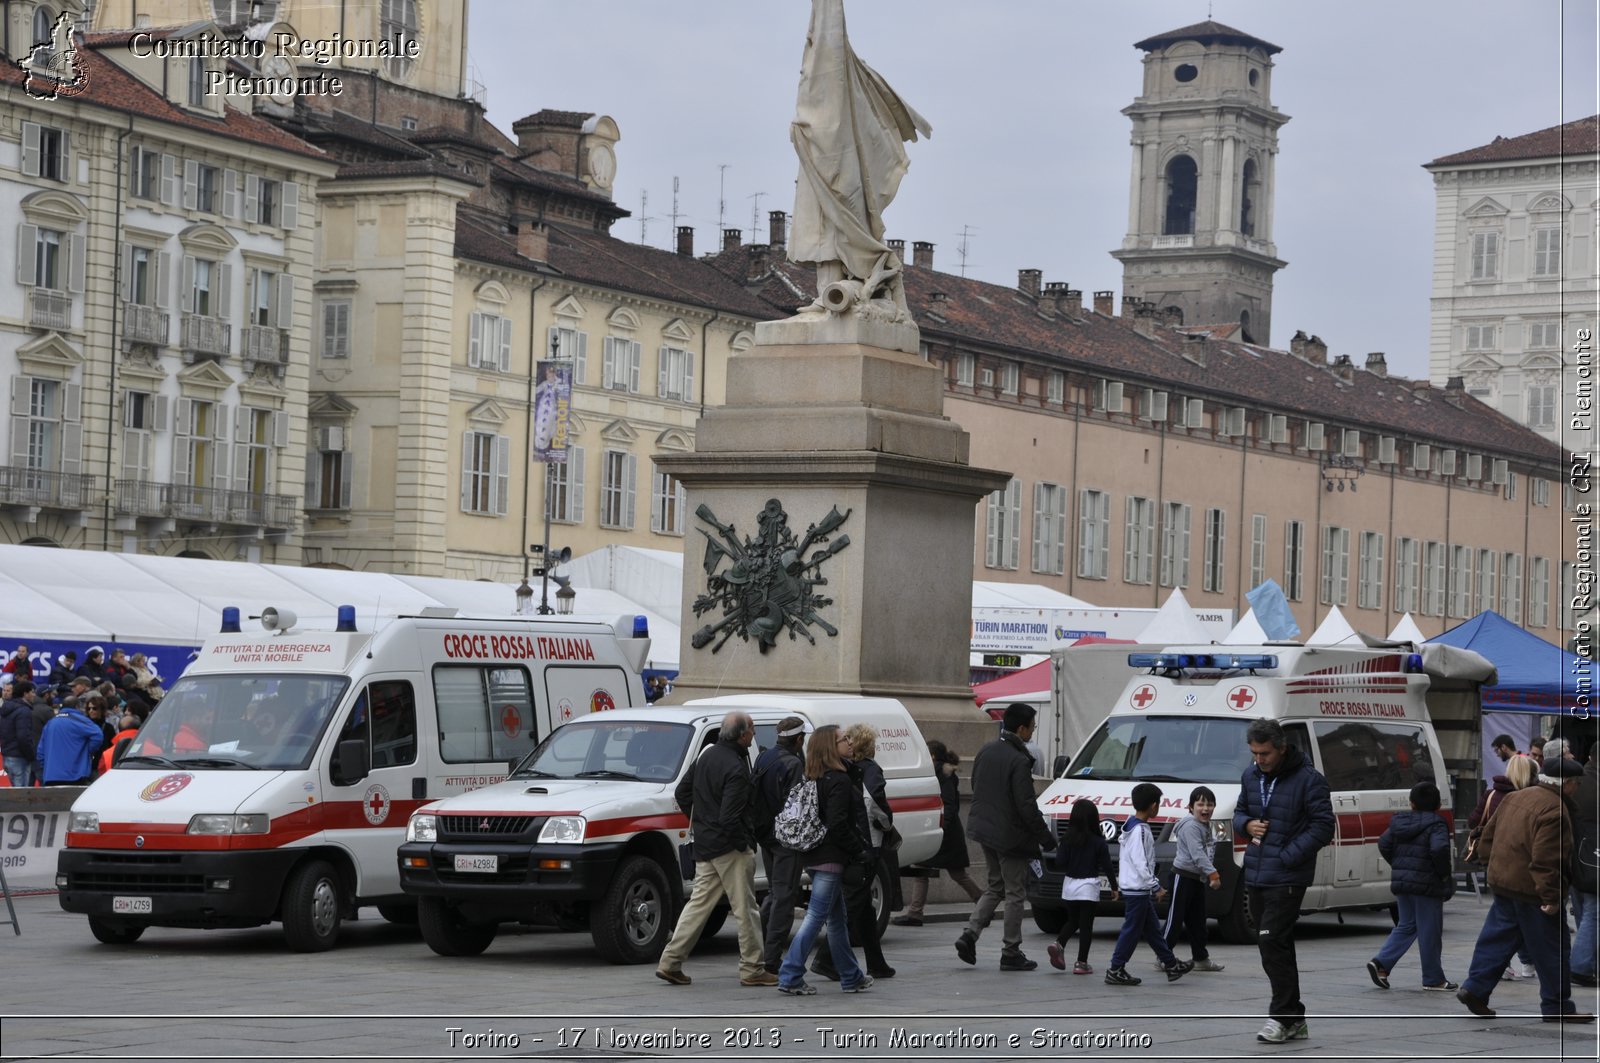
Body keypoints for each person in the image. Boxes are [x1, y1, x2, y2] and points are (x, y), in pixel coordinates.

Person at [1457, 756, 1594, 1023]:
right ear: (1566, 784)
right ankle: (1558, 1006)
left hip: (1505, 883)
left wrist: (1494, 868)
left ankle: (1475, 988)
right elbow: (1547, 859)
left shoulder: (1517, 796)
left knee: (1497, 941)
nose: (1578, 787)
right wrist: (1551, 896)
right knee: (1553, 949)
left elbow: (1487, 837)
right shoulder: (1555, 810)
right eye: (1576, 782)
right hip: (1533, 891)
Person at [1234, 718, 1335, 1044]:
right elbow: (1239, 812)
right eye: (1254, 753)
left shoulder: (1309, 780)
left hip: (1289, 875)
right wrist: (1246, 825)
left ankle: (1280, 1016)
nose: (1258, 760)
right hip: (1258, 871)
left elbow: (1323, 826)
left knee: (1270, 940)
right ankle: (1294, 1018)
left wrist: (1290, 855)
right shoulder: (1251, 776)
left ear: (1281, 748)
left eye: (1264, 753)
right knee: (1277, 945)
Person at [654, 712, 772, 988]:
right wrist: (743, 842)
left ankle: (670, 962)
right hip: (730, 848)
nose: (754, 734)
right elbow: (730, 818)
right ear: (742, 735)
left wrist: (702, 823)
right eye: (752, 729)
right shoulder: (736, 767)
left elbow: (683, 793)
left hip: (707, 845)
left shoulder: (707, 755)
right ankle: (753, 968)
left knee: (698, 906)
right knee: (746, 909)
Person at [954, 702, 1056, 972]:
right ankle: (1011, 950)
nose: (1032, 733)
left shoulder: (986, 750)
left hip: (984, 829)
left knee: (995, 887)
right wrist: (1045, 837)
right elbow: (1026, 805)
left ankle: (970, 933)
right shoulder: (1019, 760)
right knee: (1014, 893)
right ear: (1021, 728)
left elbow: (977, 785)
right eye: (1032, 728)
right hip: (1010, 835)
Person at [777, 724, 873, 995]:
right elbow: (838, 825)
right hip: (831, 856)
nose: (850, 743)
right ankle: (791, 973)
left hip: (813, 853)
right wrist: (859, 851)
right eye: (844, 740)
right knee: (816, 916)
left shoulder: (814, 778)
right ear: (832, 747)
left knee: (836, 919)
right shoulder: (839, 781)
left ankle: (851, 976)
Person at [812, 723, 895, 980]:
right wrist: (886, 822)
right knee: (854, 900)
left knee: (864, 905)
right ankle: (825, 959)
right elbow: (872, 802)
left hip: (854, 840)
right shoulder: (868, 769)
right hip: (867, 841)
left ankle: (876, 961)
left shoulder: (847, 769)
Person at [1368, 781, 1457, 992]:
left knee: (1407, 925)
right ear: (1437, 805)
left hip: (1403, 882)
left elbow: (1384, 843)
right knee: (1429, 930)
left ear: (1412, 803)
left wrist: (1400, 865)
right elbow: (1439, 849)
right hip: (1427, 884)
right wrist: (1443, 873)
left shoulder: (1399, 821)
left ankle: (1382, 963)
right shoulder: (1437, 823)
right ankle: (1433, 978)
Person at [1104, 783, 1193, 986]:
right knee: (1132, 930)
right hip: (1138, 889)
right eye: (1158, 804)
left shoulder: (1131, 824)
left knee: (1152, 929)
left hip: (1135, 888)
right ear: (1153, 806)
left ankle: (1170, 964)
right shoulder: (1141, 831)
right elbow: (1141, 862)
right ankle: (1116, 968)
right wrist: (1156, 886)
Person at [894, 740, 982, 927]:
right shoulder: (934, 773)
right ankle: (915, 913)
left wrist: (943, 826)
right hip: (937, 828)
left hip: (945, 832)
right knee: (921, 870)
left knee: (957, 873)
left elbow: (949, 804)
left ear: (932, 756)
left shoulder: (943, 774)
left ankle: (984, 905)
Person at [753, 715, 807, 975]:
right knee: (784, 897)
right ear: (798, 740)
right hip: (786, 840)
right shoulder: (793, 763)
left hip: (766, 836)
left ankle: (761, 950)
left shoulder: (763, 757)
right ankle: (772, 959)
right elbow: (796, 806)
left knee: (774, 894)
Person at [1047, 797, 1115, 974]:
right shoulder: (1098, 842)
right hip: (1088, 886)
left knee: (1073, 920)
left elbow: (1060, 862)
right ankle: (1081, 963)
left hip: (1070, 886)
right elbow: (1107, 865)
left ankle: (1059, 943)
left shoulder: (1066, 839)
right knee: (1086, 927)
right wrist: (1114, 886)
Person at [1164, 785, 1225, 971]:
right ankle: (1163, 956)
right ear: (1190, 807)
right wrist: (1213, 874)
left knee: (1198, 921)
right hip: (1182, 877)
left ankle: (1200, 958)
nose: (1205, 808)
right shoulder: (1191, 826)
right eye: (1200, 804)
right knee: (1175, 920)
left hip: (1196, 879)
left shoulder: (1204, 825)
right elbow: (1197, 854)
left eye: (1210, 804)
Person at [1573, 745, 1599, 987]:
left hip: (1577, 856)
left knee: (1584, 910)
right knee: (1594, 912)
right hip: (1594, 859)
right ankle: (1581, 965)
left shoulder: (1579, 780)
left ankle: (1587, 963)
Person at [37, 692, 102, 785]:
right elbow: (98, 734)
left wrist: (47, 768)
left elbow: (40, 752)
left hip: (51, 776)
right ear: (77, 706)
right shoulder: (79, 719)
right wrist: (88, 751)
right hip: (75, 775)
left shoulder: (50, 723)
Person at [0, 679, 39, 788]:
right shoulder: (23, 711)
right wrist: (31, 755)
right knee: (21, 797)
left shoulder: (7, 709)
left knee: (15, 794)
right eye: (32, 692)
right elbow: (23, 737)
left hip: (8, 756)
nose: (34, 695)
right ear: (25, 694)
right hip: (19, 758)